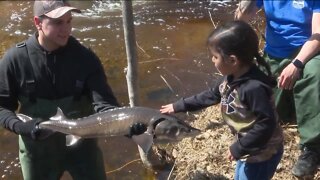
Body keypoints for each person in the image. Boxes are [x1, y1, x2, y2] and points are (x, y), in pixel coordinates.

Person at [0, 0, 146, 179]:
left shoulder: (86, 59)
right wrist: (21, 126)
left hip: (84, 152)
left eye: (69, 21)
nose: (66, 29)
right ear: (37, 22)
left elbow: (105, 107)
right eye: (58, 22)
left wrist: (127, 126)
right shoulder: (14, 60)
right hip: (38, 154)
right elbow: (2, 107)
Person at [160, 20, 283, 180]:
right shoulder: (229, 78)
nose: (212, 60)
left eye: (215, 56)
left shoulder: (253, 88)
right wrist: (179, 105)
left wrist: (239, 147)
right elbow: (209, 96)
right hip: (248, 147)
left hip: (263, 152)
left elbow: (266, 123)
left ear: (233, 60)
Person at [235, 0, 320, 178]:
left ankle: (312, 149)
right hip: (274, 56)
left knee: (313, 75)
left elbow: (317, 36)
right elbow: (241, 20)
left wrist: (297, 64)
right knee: (274, 112)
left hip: (307, 53)